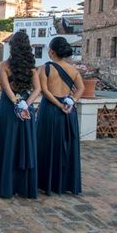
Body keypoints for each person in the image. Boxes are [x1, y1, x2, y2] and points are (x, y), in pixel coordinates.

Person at [0, 31, 41, 199]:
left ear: (12, 47)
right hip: (27, 108)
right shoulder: (31, 68)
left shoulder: (4, 66)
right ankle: (24, 185)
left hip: (9, 108)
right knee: (24, 144)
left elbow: (6, 88)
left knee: (7, 143)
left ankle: (4, 184)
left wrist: (16, 103)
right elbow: (38, 89)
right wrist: (26, 104)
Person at [37, 37, 84, 195]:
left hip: (50, 109)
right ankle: (65, 183)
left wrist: (58, 105)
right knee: (66, 146)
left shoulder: (45, 68)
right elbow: (81, 88)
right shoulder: (73, 69)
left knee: (46, 145)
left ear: (52, 51)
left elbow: (44, 90)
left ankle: (46, 182)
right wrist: (71, 101)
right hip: (68, 110)